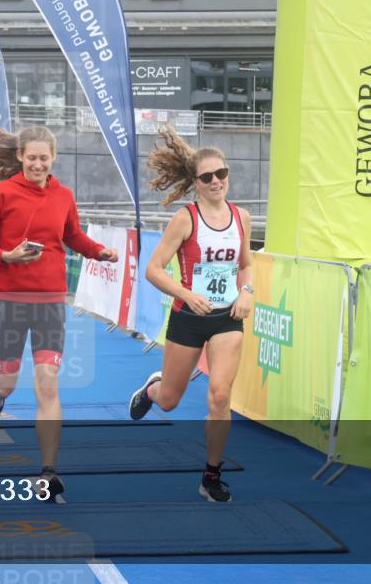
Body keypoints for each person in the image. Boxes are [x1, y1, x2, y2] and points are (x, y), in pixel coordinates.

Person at [0, 125, 118, 499]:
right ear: (20, 156)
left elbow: (72, 236)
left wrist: (98, 250)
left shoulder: (64, 195)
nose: (38, 164)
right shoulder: (0, 193)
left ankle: (48, 471)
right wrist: (6, 255)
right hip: (9, 301)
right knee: (4, 381)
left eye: (44, 158)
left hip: (51, 302)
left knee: (48, 383)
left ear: (53, 158)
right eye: (32, 157)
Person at [127, 128, 253, 503]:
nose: (216, 182)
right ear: (195, 183)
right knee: (170, 401)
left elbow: (246, 264)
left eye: (222, 174)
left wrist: (247, 292)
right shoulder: (185, 219)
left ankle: (211, 475)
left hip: (227, 316)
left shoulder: (241, 217)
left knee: (219, 395)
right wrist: (186, 294)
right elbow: (153, 269)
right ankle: (153, 387)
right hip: (188, 315)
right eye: (207, 177)